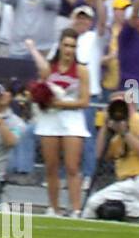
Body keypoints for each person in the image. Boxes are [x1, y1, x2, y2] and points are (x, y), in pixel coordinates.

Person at [25, 30, 91, 216]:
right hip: (50, 120)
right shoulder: (49, 68)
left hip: (72, 121)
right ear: (60, 46)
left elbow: (85, 101)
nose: (69, 50)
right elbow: (39, 89)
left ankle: (76, 209)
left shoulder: (81, 70)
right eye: (66, 45)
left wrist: (59, 103)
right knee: (51, 166)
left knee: (72, 167)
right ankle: (53, 208)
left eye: (72, 46)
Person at [82, 96, 139, 224]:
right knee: (110, 209)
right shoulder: (116, 135)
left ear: (131, 106)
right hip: (127, 185)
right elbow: (99, 154)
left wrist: (126, 134)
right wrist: (106, 126)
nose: (118, 111)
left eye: (121, 106)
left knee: (95, 202)